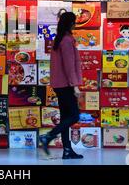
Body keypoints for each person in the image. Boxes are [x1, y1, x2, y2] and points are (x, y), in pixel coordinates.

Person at [39, 12, 83, 159]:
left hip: (59, 84)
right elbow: (69, 66)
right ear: (70, 24)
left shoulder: (59, 40)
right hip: (66, 85)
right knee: (74, 115)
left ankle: (67, 150)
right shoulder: (66, 40)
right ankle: (48, 136)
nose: (75, 25)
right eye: (74, 22)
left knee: (65, 117)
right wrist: (75, 85)